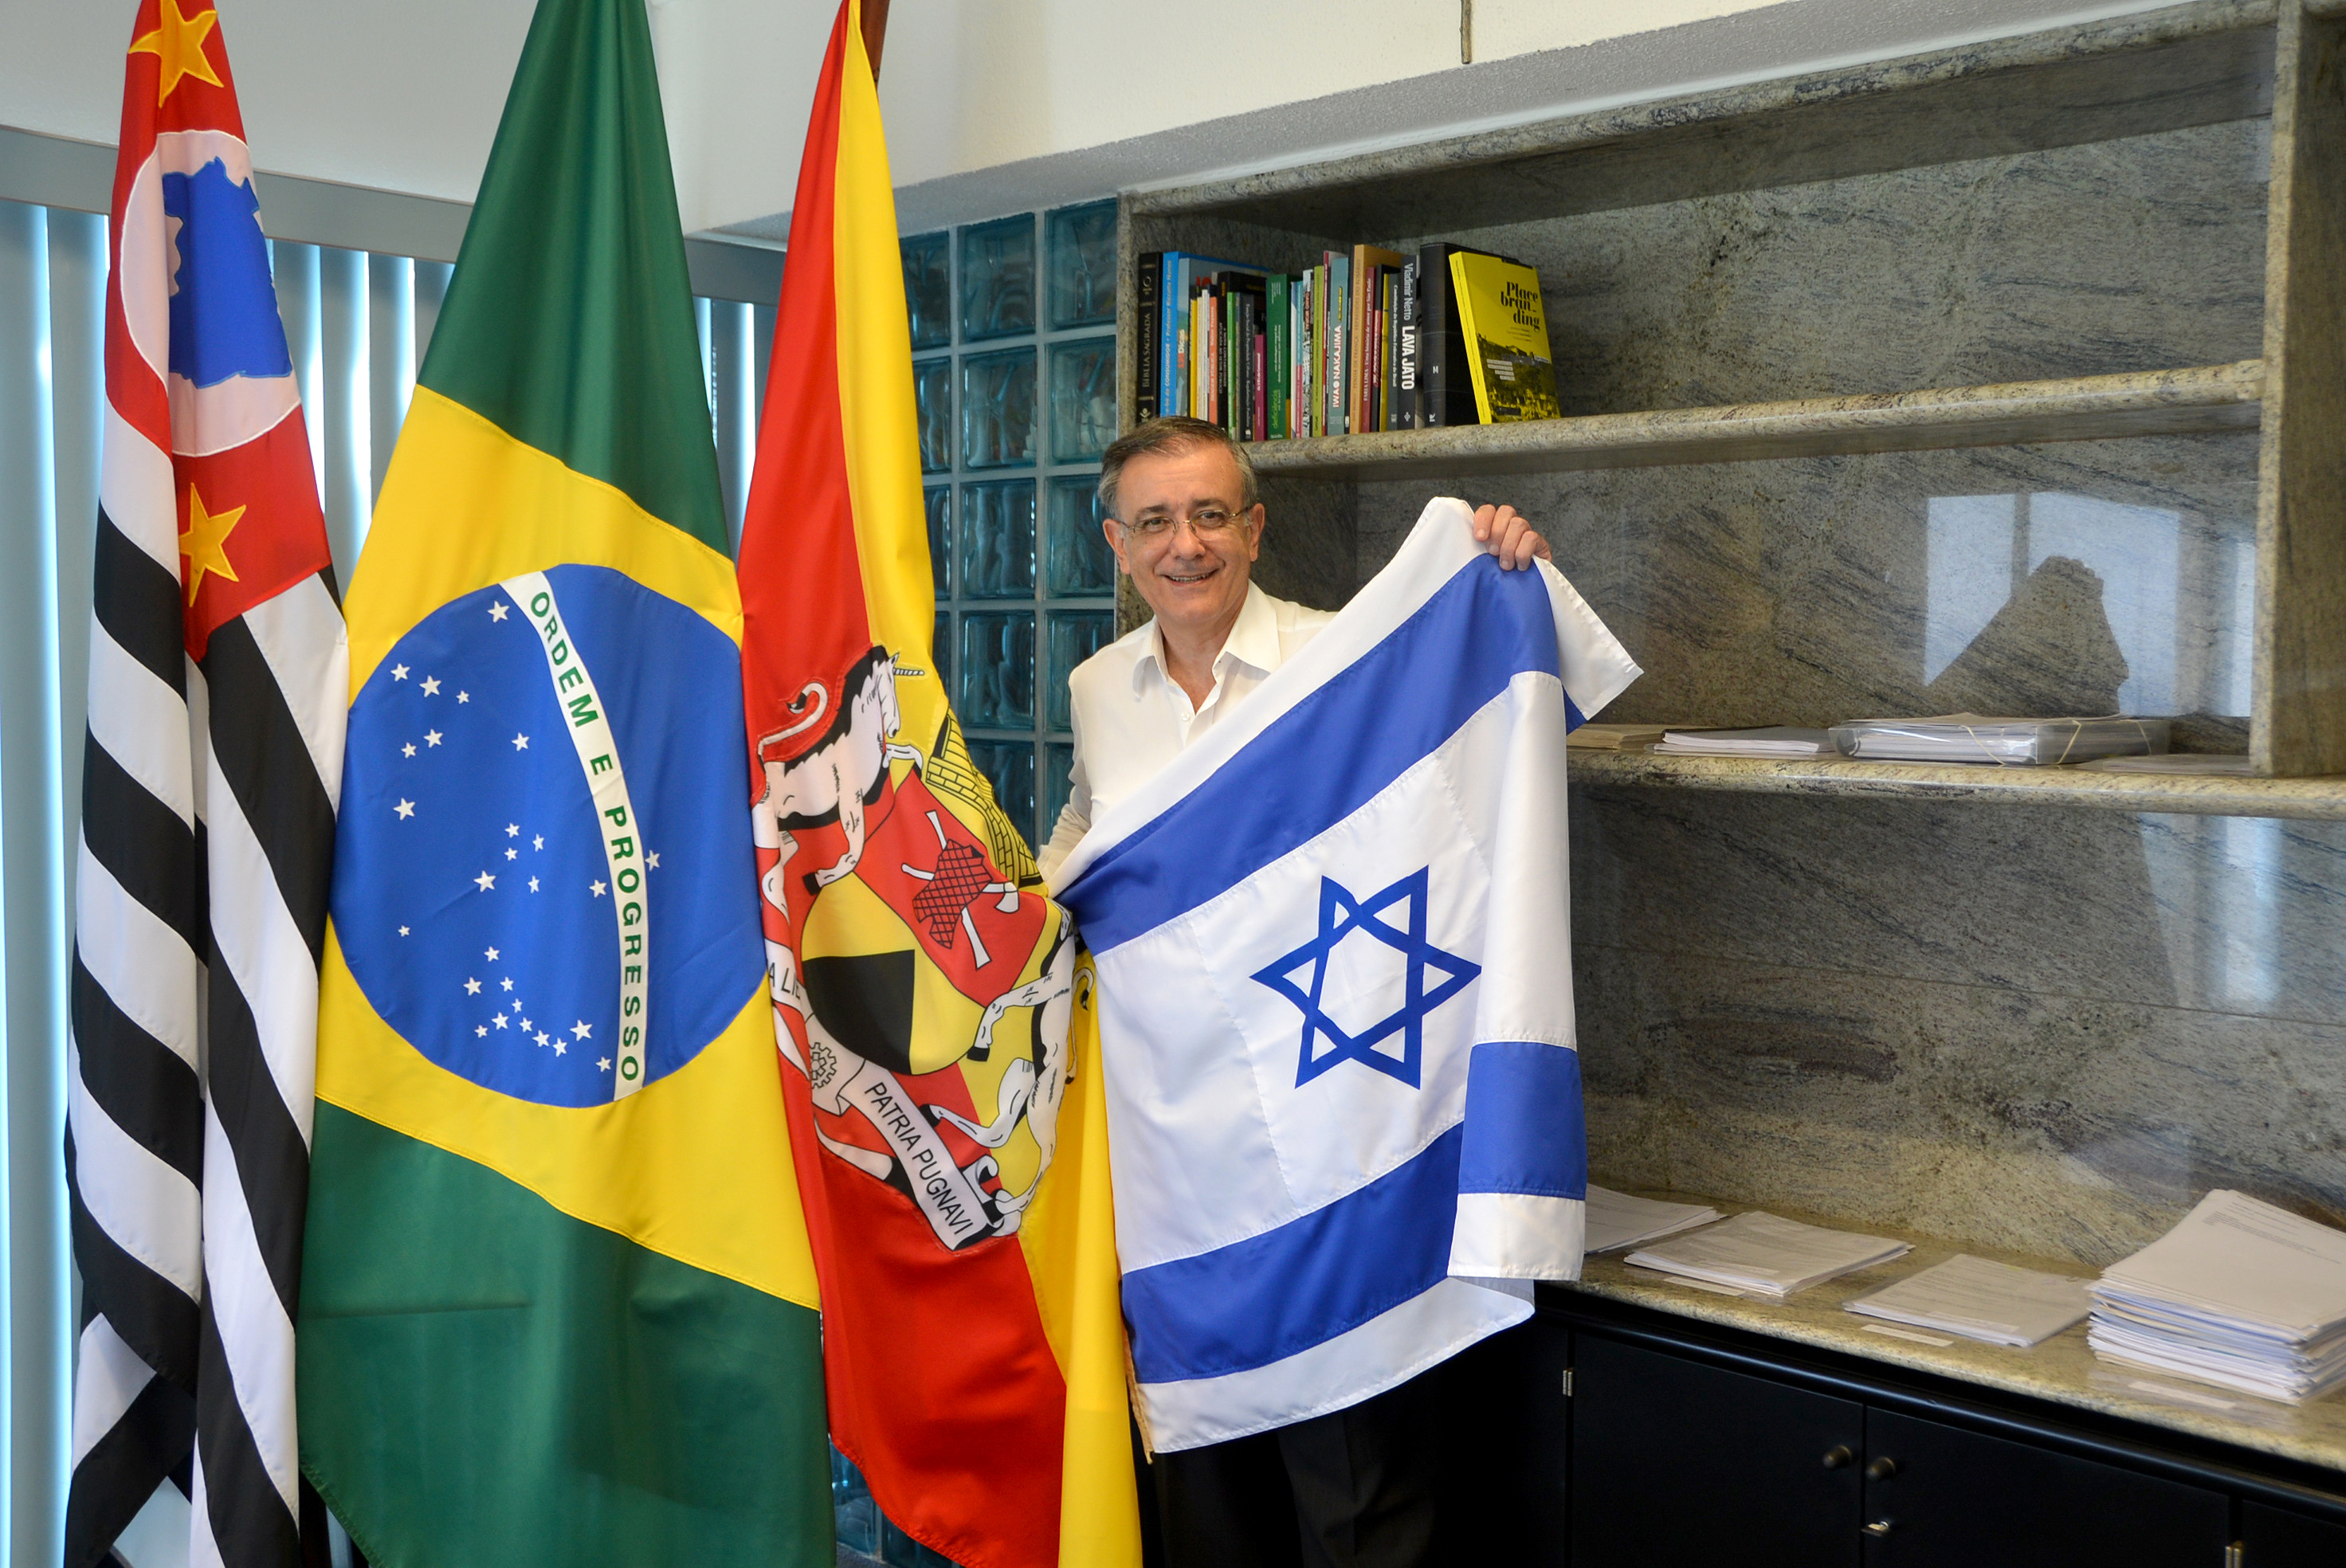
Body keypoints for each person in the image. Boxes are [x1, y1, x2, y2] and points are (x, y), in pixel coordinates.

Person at [1038, 415, 1551, 1568]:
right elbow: (1086, 838)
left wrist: (1499, 573)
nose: (1185, 545)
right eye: (1155, 522)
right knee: (1210, 1501)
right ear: (1117, 544)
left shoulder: (1349, 659)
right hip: (1178, 1169)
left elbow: (1471, 731)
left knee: (1358, 1502)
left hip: (1336, 1146)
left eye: (1210, 515)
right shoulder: (1099, 688)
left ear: (1256, 528)